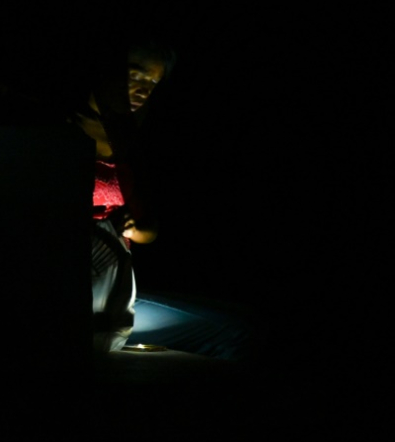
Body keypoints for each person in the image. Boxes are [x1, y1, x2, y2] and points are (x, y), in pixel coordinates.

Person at [74, 36, 259, 360]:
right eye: (134, 75)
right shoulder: (57, 127)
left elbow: (149, 229)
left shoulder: (131, 140)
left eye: (153, 82)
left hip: (113, 293)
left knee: (242, 325)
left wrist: (133, 228)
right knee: (238, 329)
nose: (143, 90)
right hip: (70, 287)